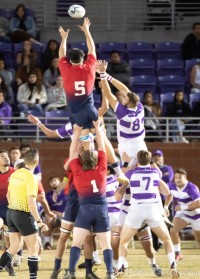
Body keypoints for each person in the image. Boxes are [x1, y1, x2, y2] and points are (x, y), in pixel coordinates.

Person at [64, 119, 115, 279]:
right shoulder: (102, 169)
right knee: (106, 245)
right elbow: (101, 148)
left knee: (76, 244)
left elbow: (72, 154)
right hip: (101, 210)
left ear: (80, 162)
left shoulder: (77, 171)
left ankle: (71, 272)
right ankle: (110, 273)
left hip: (85, 210)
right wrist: (98, 130)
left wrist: (76, 134)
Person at [115, 150, 179, 278]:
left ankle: (120, 267)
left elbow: (117, 196)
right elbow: (168, 193)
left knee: (123, 242)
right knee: (166, 239)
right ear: (150, 161)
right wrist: (165, 207)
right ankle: (173, 265)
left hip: (136, 210)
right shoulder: (155, 173)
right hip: (152, 210)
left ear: (137, 161)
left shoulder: (130, 173)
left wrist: (127, 167)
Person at [0, 149, 48, 279]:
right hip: (23, 214)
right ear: (37, 162)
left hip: (11, 213)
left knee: (14, 246)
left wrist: (14, 208)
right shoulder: (32, 178)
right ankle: (33, 277)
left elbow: (8, 195)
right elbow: (31, 201)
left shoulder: (15, 173)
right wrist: (39, 221)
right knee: (34, 248)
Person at [98, 60, 147, 168]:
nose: (122, 97)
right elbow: (124, 89)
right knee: (146, 168)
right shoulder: (139, 106)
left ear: (129, 103)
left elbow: (108, 94)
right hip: (140, 142)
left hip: (127, 145)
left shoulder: (123, 112)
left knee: (126, 172)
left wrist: (102, 74)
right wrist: (106, 76)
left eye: (124, 97)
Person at [58, 17, 98, 137]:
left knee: (85, 143)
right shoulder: (90, 67)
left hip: (75, 112)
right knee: (100, 137)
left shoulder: (65, 68)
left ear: (70, 60)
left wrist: (64, 38)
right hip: (90, 109)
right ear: (83, 58)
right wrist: (87, 31)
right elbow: (92, 49)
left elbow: (61, 53)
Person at [164, 168, 200, 262]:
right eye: (176, 177)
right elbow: (169, 195)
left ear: (185, 178)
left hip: (197, 215)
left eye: (180, 177)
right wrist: (166, 207)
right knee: (173, 230)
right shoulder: (171, 186)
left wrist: (182, 207)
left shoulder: (192, 187)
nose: (178, 180)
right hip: (183, 214)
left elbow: (198, 203)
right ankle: (178, 253)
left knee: (198, 238)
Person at [152, 149, 174, 251]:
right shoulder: (149, 169)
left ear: (162, 158)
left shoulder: (167, 168)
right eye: (155, 156)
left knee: (167, 221)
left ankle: (166, 242)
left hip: (165, 199)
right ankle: (156, 245)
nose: (157, 158)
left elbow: (168, 178)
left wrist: (155, 178)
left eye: (159, 156)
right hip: (154, 199)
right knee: (153, 221)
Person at [0, 149, 16, 276]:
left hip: (11, 210)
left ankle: (8, 264)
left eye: (7, 156)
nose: (6, 158)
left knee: (9, 240)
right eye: (2, 156)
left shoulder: (15, 173)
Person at [42, 175, 68, 250]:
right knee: (48, 216)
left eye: (55, 180)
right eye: (51, 182)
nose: (53, 183)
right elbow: (46, 209)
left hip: (67, 217)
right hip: (55, 217)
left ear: (60, 182)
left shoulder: (66, 192)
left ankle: (80, 243)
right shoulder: (47, 195)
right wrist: (53, 213)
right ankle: (47, 243)